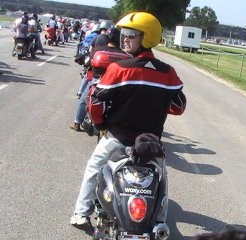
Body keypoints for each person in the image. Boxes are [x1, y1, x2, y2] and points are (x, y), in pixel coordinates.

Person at [70, 12, 186, 226]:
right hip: (150, 143)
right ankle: (160, 222)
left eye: (132, 35)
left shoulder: (118, 69)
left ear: (147, 38)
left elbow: (95, 102)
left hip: (117, 138)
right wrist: (156, 101)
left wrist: (101, 124)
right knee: (161, 178)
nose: (125, 38)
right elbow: (178, 107)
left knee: (94, 167)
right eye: (124, 33)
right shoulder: (168, 72)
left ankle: (81, 212)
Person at [69, 26, 129, 131]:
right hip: (117, 85)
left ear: (107, 38)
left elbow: (88, 62)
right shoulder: (125, 55)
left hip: (98, 82)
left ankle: (77, 123)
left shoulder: (98, 51)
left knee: (84, 99)